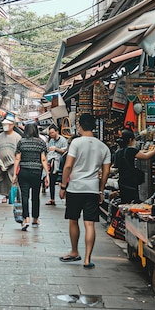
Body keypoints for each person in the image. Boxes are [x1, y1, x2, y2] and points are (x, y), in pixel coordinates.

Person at [58, 114, 111, 269]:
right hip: (92, 188)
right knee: (90, 224)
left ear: (79, 126)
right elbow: (106, 172)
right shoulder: (103, 147)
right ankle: (87, 259)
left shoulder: (76, 143)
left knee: (73, 219)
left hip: (75, 187)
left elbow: (68, 166)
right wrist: (101, 189)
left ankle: (74, 251)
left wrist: (63, 186)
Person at [12, 124, 50, 231]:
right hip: (36, 172)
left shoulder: (21, 142)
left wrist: (14, 174)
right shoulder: (41, 142)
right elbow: (43, 159)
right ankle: (35, 218)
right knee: (35, 195)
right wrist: (47, 174)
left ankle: (26, 218)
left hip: (23, 172)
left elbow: (17, 159)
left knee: (24, 195)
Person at [113, 130, 155, 204]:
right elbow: (145, 156)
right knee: (132, 201)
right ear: (130, 140)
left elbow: (140, 153)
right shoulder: (131, 150)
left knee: (125, 201)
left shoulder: (118, 152)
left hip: (122, 181)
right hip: (130, 181)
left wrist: (145, 151)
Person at [0, 119, 21, 203]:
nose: (5, 126)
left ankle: (14, 196)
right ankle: (6, 196)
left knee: (13, 180)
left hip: (13, 162)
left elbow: (20, 151)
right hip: (1, 163)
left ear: (12, 125)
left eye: (7, 124)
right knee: (3, 180)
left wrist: (18, 162)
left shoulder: (17, 137)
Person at [46, 124, 68, 206]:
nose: (51, 134)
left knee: (63, 181)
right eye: (50, 133)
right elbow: (48, 150)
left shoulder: (63, 140)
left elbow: (64, 151)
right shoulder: (51, 141)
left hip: (61, 163)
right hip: (52, 163)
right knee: (52, 180)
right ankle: (52, 199)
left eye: (52, 133)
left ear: (56, 132)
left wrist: (56, 149)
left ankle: (66, 198)